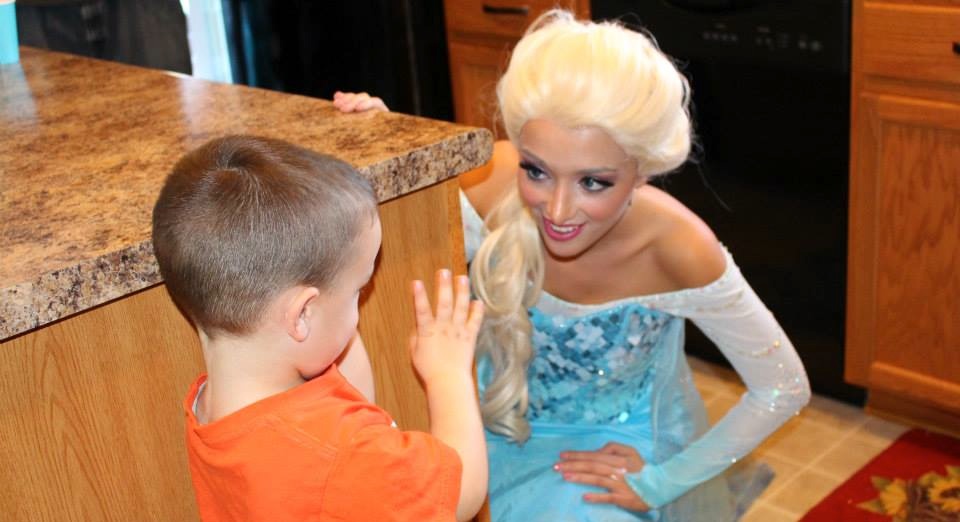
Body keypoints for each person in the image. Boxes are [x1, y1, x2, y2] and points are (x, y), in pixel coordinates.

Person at [335, 9, 811, 522]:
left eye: (593, 182)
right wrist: (386, 153)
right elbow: (404, 234)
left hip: (604, 447)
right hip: (488, 420)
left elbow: (783, 386)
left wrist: (660, 483)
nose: (558, 211)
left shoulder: (680, 248)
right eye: (537, 171)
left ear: (642, 170)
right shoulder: (490, 181)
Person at [151, 135, 487, 521]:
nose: (359, 308)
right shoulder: (339, 452)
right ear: (302, 315)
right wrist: (448, 373)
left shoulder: (213, 407)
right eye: (358, 291)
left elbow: (352, 399)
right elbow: (463, 494)